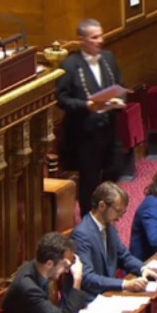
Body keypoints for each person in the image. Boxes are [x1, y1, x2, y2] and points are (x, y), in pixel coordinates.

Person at [57, 19, 126, 217]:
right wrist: (85, 105)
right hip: (84, 134)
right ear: (82, 40)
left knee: (116, 168)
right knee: (89, 180)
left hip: (109, 128)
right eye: (94, 37)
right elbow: (61, 99)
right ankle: (89, 219)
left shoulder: (108, 58)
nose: (100, 41)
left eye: (100, 36)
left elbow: (120, 85)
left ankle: (107, 211)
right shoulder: (70, 65)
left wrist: (120, 100)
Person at [71, 181, 157, 300]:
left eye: (123, 212)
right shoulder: (82, 234)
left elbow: (124, 256)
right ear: (102, 206)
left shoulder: (110, 226)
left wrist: (143, 269)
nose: (120, 217)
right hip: (89, 299)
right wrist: (125, 284)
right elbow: (87, 278)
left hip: (108, 294)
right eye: (118, 211)